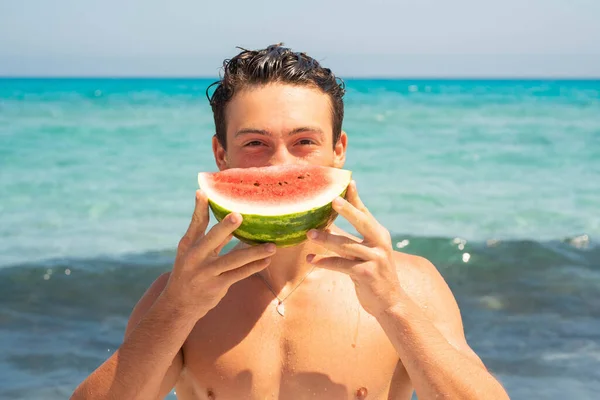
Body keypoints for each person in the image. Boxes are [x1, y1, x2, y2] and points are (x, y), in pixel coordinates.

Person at [71, 44, 509, 400]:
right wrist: (177, 309)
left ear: (338, 150)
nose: (279, 165)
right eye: (256, 143)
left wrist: (392, 305)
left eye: (304, 142)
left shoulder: (410, 284)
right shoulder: (179, 295)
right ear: (221, 155)